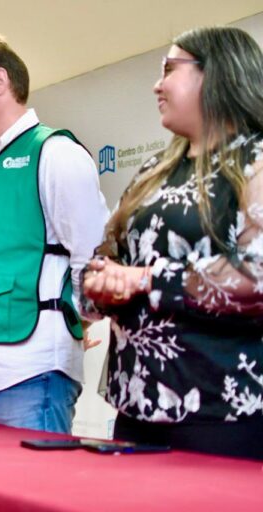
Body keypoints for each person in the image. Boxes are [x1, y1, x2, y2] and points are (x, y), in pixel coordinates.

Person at [83, 26, 263, 460]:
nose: (157, 85)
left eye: (169, 69)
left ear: (216, 74)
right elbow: (109, 256)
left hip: (222, 412)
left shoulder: (255, 162)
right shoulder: (153, 170)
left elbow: (257, 276)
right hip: (136, 406)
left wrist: (147, 279)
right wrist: (101, 284)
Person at [0, 34, 108, 433]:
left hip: (30, 374)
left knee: (33, 477)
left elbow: (93, 258)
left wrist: (75, 323)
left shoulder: (55, 153)